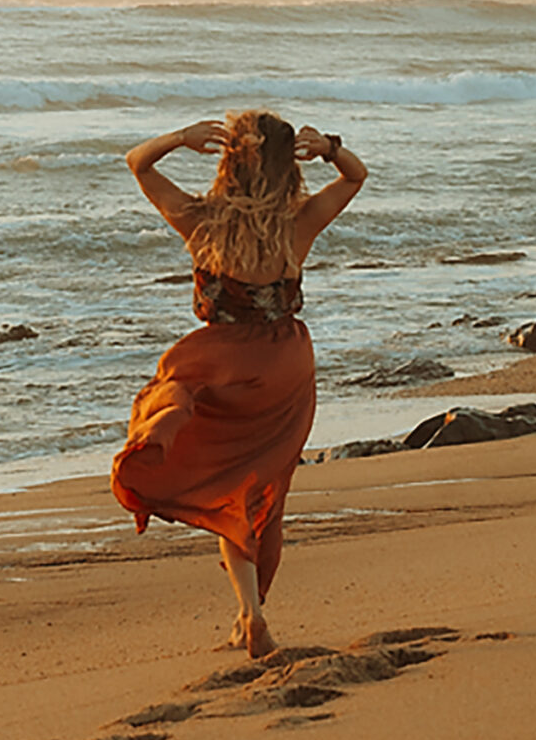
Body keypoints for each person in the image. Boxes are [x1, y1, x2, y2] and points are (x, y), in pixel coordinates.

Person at [111, 111, 367, 659]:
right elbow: (355, 177)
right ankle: (250, 613)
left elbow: (137, 162)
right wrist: (329, 149)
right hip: (282, 368)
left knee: (207, 446)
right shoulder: (298, 225)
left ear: (228, 161)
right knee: (259, 490)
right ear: (285, 168)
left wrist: (180, 139)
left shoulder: (201, 223)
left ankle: (249, 611)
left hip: (221, 364)